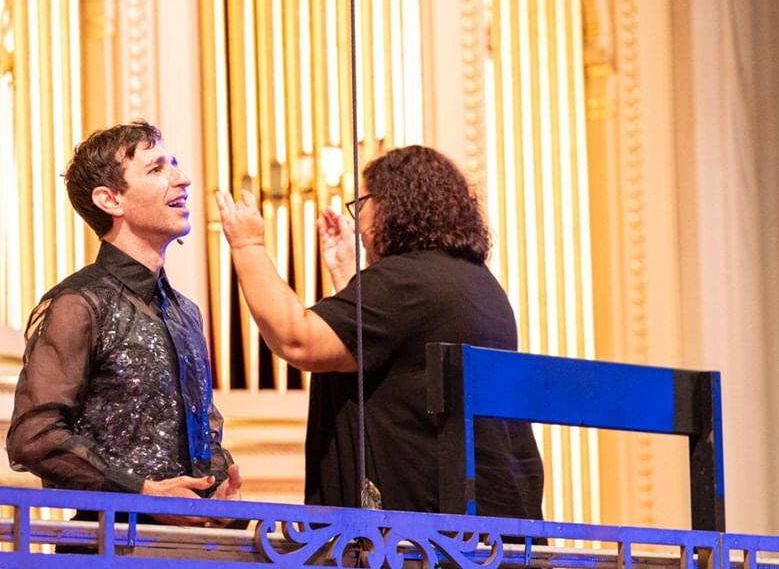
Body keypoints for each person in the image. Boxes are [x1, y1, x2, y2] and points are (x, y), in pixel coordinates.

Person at [215, 145, 543, 519]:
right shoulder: (479, 284)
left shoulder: (407, 283)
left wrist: (247, 244)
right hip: (493, 529)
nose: (359, 216)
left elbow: (297, 339)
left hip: (422, 535)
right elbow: (392, 369)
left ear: (391, 204)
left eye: (362, 201)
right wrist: (350, 281)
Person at [7, 121, 240, 529]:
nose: (183, 180)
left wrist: (217, 483)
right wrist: (142, 492)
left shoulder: (187, 312)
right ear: (110, 199)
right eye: (157, 169)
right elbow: (34, 437)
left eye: (176, 166)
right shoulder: (78, 303)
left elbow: (202, 426)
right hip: (111, 545)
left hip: (188, 549)